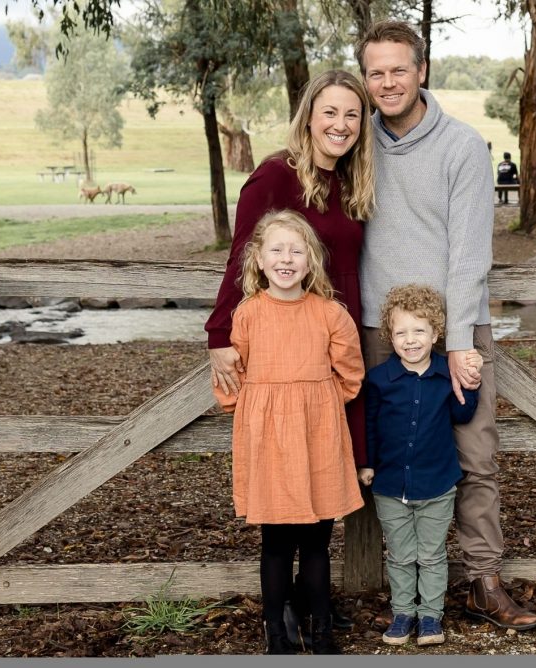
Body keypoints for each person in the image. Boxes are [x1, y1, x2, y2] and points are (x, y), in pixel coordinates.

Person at [355, 19, 536, 631]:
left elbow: (469, 255)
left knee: (474, 456)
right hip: (380, 330)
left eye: (398, 69)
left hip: (455, 330)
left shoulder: (462, 146)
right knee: (381, 456)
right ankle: (400, 589)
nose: (387, 82)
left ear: (422, 71)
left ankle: (482, 582)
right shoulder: (357, 141)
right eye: (375, 72)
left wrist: (460, 342)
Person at [204, 69, 375, 646]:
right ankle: (284, 619)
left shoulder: (352, 180)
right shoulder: (275, 176)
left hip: (333, 333)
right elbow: (241, 259)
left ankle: (316, 608)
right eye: (329, 112)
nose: (340, 124)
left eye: (352, 115)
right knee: (286, 506)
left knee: (330, 479)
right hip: (283, 338)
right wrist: (220, 334)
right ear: (308, 115)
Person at [212, 209, 365, 655]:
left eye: (296, 250)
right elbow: (229, 377)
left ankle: (322, 634)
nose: (286, 258)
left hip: (318, 436)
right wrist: (259, 409)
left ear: (311, 259)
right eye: (276, 249)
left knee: (317, 543)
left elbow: (351, 375)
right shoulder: (247, 315)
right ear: (258, 258)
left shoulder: (330, 314)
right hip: (267, 442)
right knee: (276, 544)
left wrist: (316, 402)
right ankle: (276, 635)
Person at [358, 284, 482, 647]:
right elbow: (368, 424)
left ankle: (430, 616)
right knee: (399, 555)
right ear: (389, 336)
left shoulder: (446, 375)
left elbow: (463, 412)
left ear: (435, 333)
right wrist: (365, 463)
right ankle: (402, 614)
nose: (410, 340)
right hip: (390, 484)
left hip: (437, 483)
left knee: (430, 554)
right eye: (400, 333)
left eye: (419, 331)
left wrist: (471, 381)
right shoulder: (379, 380)